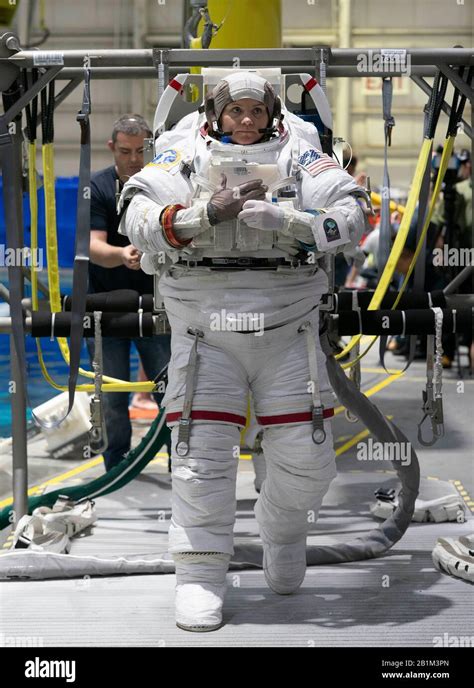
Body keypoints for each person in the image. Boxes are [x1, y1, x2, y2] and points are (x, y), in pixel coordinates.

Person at [119, 72, 369, 631]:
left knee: (308, 461)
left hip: (288, 325)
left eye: (258, 111)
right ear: (215, 113)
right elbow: (136, 214)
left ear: (273, 113)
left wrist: (293, 221)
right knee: (200, 459)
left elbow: (354, 213)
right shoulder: (182, 150)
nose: (248, 121)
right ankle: (201, 578)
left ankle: (282, 530)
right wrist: (201, 215)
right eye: (236, 112)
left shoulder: (301, 150)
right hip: (207, 327)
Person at [87, 114, 171, 471]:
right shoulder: (97, 187)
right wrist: (123, 255)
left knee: (170, 392)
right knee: (111, 397)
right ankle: (116, 468)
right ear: (112, 149)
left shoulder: (164, 186)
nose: (134, 159)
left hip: (156, 307)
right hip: (106, 308)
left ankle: (176, 459)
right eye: (125, 151)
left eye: (141, 151)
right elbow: (92, 246)